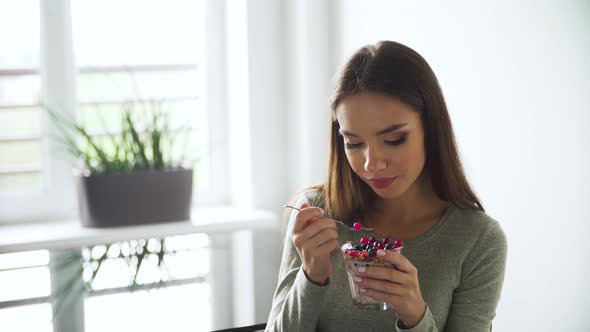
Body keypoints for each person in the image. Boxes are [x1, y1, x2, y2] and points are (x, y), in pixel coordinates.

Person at [265, 40, 507, 331]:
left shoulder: (478, 240)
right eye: (354, 143)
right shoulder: (315, 214)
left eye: (394, 140)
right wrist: (312, 277)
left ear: (430, 128)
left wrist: (416, 316)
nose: (371, 164)